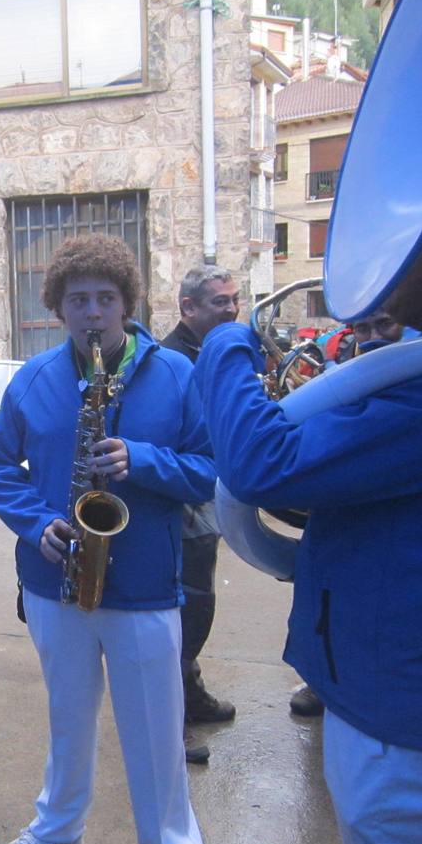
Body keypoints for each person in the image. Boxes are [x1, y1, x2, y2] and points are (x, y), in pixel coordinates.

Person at [195, 215, 422, 844]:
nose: (386, 266)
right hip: (395, 698)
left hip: (406, 722)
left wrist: (227, 343)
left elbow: (260, 465)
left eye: (413, 240)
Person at [0, 235, 212, 844]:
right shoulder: (33, 380)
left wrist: (145, 460)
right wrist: (35, 524)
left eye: (104, 299)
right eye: (77, 300)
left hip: (142, 587)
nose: (92, 313)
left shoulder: (175, 375)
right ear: (59, 309)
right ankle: (57, 828)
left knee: (156, 735)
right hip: (57, 583)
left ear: (125, 304)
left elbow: (212, 470)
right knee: (67, 719)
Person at [290, 308, 409, 720]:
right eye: (363, 328)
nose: (374, 337)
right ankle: (320, 681)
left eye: (385, 324)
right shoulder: (341, 381)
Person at [161, 265, 240, 764]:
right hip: (186, 504)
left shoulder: (216, 352)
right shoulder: (173, 361)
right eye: (220, 302)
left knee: (199, 604)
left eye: (236, 299)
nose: (232, 309)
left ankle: (190, 694)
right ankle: (172, 721)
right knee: (186, 610)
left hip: (210, 496)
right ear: (188, 308)